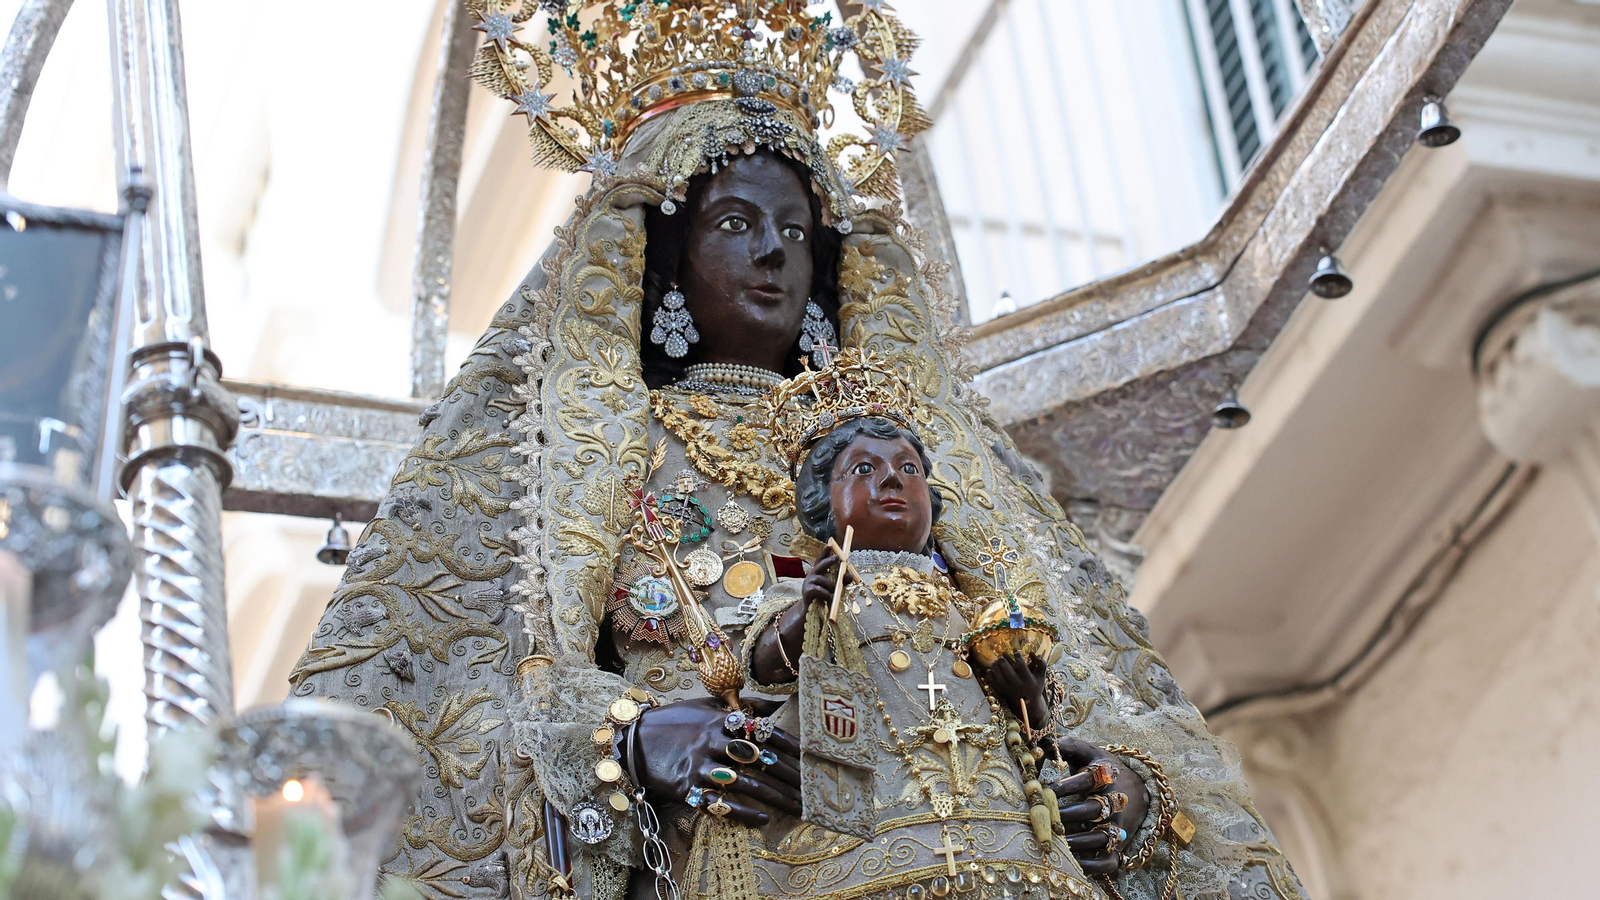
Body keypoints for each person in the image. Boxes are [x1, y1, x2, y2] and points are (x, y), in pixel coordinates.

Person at [290, 5, 1306, 900]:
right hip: (746, 854)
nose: (776, 253)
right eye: (736, 223)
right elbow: (485, 706)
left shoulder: (909, 456)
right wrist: (641, 739)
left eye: (797, 230)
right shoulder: (590, 451)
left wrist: (1114, 789)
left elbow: (1069, 683)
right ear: (663, 258)